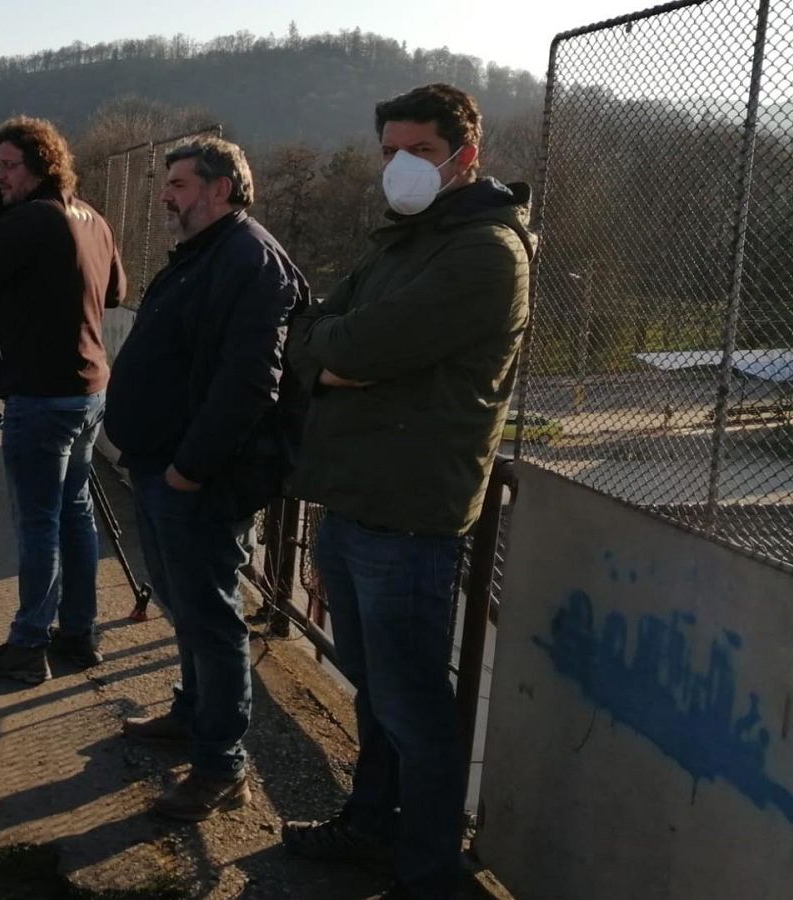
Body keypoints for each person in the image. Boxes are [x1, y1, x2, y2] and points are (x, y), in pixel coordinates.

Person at [281, 83, 534, 900]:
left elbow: (361, 346)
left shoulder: (485, 252)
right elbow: (315, 333)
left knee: (414, 707)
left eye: (420, 152)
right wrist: (332, 355)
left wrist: (334, 356)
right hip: (356, 497)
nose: (400, 166)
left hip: (412, 515)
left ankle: (428, 875)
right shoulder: (403, 239)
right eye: (389, 150)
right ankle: (371, 824)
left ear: (467, 157)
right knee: (374, 684)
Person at [103, 136, 309, 821]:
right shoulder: (204, 254)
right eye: (166, 182)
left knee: (211, 616)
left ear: (222, 189)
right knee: (182, 603)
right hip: (162, 467)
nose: (166, 194)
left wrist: (190, 469)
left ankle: (222, 764)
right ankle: (192, 715)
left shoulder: (251, 261)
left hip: (197, 478)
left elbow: (249, 383)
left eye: (181, 183)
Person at [0, 116, 126, 685]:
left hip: (42, 396)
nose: (0, 178)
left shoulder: (33, 219)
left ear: (42, 165)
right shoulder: (89, 216)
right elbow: (116, 290)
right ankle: (79, 631)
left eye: (9, 166)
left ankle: (27, 645)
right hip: (88, 391)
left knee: (38, 522)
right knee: (73, 512)